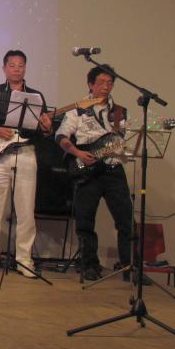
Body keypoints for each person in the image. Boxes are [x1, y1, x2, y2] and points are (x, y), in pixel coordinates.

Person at [0, 50, 51, 278]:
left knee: (25, 210)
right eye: (12, 65)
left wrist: (46, 127)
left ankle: (24, 259)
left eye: (21, 65)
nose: (16, 69)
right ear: (4, 68)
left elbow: (43, 131)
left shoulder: (35, 96)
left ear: (25, 68)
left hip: (26, 153)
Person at [56, 66, 133, 282]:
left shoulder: (120, 112)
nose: (106, 86)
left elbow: (121, 139)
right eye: (101, 82)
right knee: (85, 221)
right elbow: (61, 136)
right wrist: (78, 153)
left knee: (126, 220)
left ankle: (129, 266)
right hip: (87, 169)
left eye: (110, 83)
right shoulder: (77, 109)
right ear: (90, 84)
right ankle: (89, 265)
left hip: (113, 169)